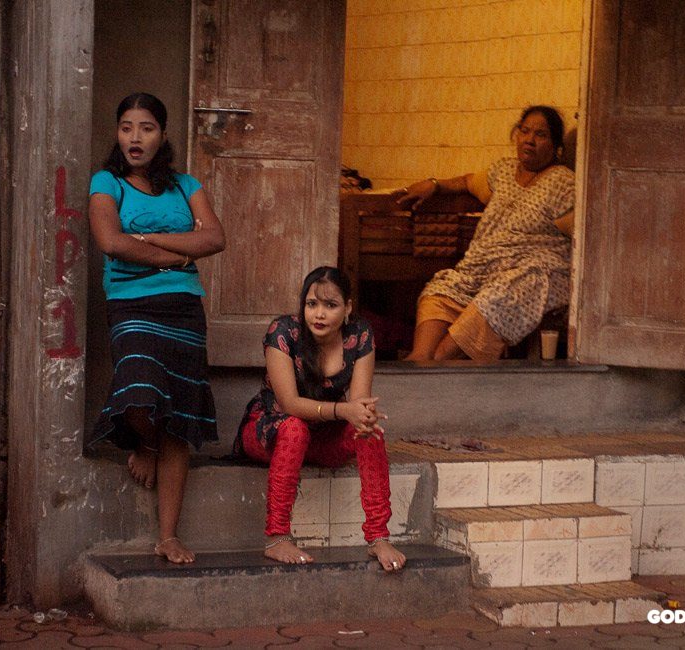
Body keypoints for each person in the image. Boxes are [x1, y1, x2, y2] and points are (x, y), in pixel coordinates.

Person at [87, 93, 226, 564]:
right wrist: (181, 254)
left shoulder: (186, 185)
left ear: (162, 134)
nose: (135, 138)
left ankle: (168, 535)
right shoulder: (107, 183)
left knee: (180, 414)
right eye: (126, 127)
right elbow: (110, 241)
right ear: (117, 133)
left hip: (184, 310)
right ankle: (142, 440)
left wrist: (145, 240)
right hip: (131, 307)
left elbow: (214, 237)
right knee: (140, 388)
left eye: (145, 128)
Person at [234, 266, 407, 572]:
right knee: (294, 428)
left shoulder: (360, 335)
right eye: (312, 304)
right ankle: (277, 538)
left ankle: (378, 536)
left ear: (348, 308)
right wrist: (344, 411)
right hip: (269, 432)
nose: (319, 314)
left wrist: (363, 416)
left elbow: (358, 404)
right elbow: (289, 404)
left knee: (370, 432)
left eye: (331, 305)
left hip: (320, 438)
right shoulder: (283, 333)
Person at [396, 105, 575, 362]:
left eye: (541, 135)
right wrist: (434, 185)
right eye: (524, 131)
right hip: (479, 270)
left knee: (492, 302)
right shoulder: (503, 171)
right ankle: (420, 358)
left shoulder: (562, 182)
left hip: (527, 275)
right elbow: (468, 181)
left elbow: (579, 231)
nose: (529, 140)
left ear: (556, 145)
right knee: (441, 288)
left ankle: (439, 361)